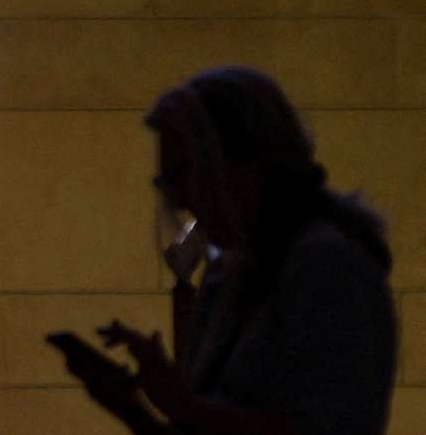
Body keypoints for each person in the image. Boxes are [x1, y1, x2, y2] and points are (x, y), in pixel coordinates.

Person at [55, 66, 396, 435]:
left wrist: (180, 404)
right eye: (168, 182)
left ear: (242, 164)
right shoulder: (233, 271)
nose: (180, 200)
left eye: (183, 174)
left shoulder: (326, 268)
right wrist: (132, 407)